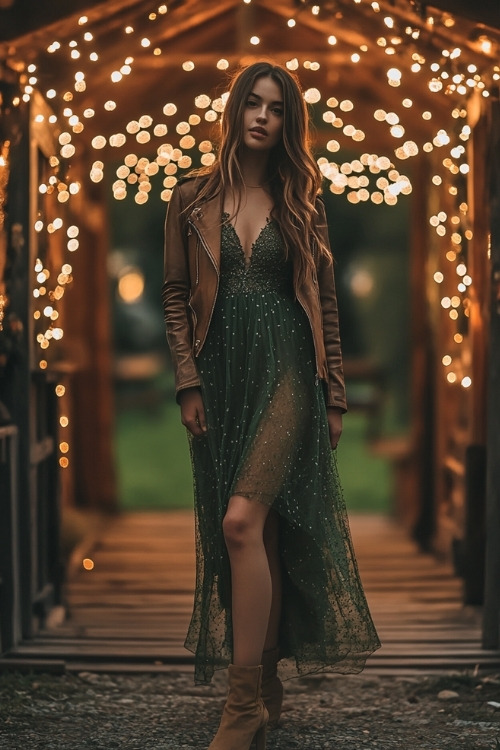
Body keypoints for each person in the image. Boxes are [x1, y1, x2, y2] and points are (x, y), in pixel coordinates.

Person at [162, 60, 380, 750]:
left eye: (276, 108)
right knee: (260, 540)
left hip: (289, 372)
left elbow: (325, 303)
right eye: (253, 104)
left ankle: (242, 703)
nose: (262, 116)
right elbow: (175, 296)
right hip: (223, 376)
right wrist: (187, 380)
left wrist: (334, 391)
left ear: (289, 122)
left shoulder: (302, 200)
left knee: (239, 524)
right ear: (235, 110)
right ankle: (266, 678)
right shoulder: (190, 197)